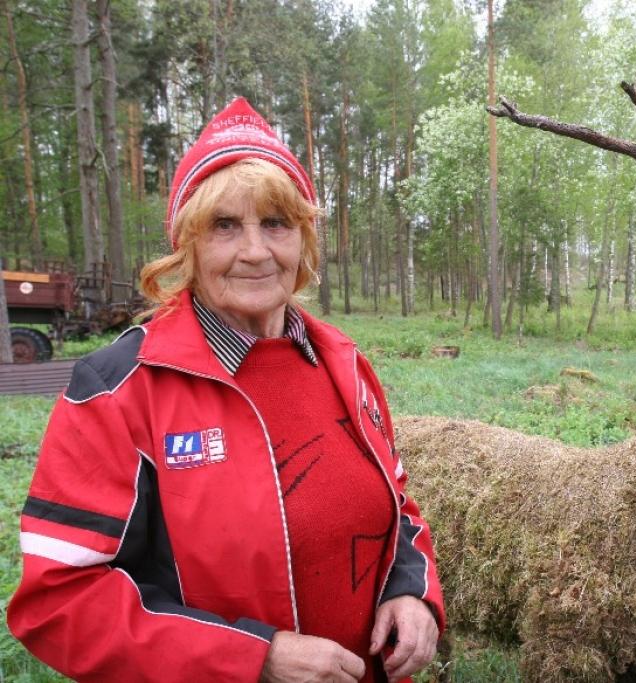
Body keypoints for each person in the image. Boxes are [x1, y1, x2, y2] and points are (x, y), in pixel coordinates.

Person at [6, 97, 445, 683]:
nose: (256, 251)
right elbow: (58, 603)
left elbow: (399, 510)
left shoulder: (344, 362)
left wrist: (413, 592)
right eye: (224, 226)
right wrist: (251, 659)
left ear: (304, 241)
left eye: (276, 224)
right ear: (186, 245)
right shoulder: (119, 391)